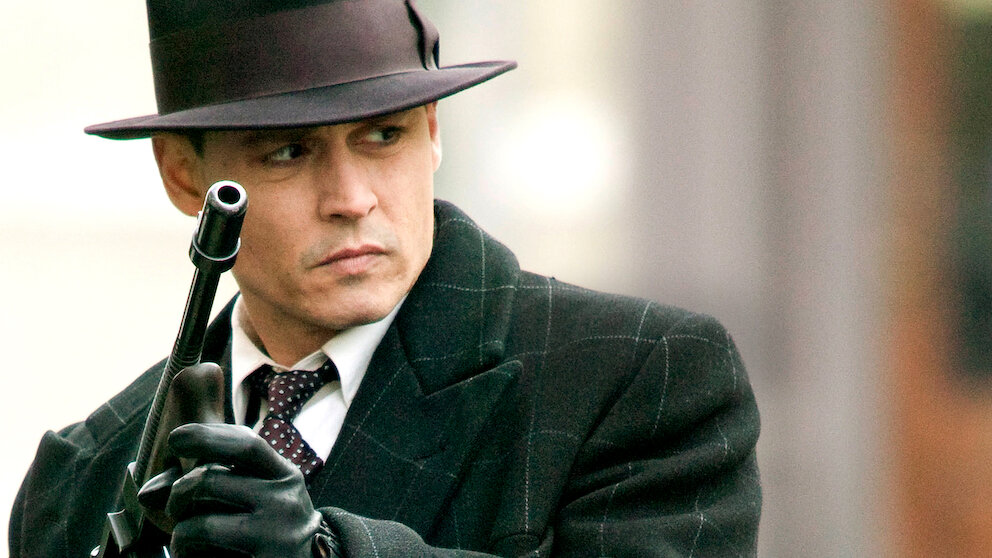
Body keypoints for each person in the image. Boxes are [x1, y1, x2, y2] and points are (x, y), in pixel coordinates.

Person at [9, 1, 762, 556]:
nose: (351, 198)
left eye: (382, 135)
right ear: (183, 175)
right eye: (288, 152)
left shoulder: (639, 379)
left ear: (432, 131)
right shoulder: (79, 479)